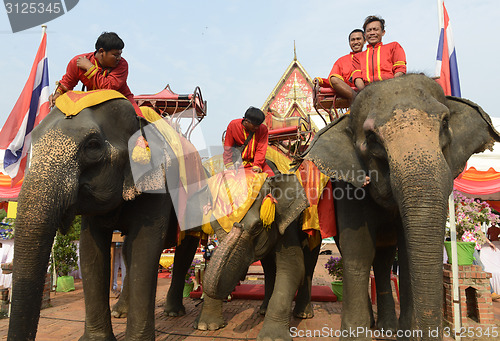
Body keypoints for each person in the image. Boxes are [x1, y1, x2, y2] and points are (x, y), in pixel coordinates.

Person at [49, 32, 141, 115]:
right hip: (91, 101)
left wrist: (89, 68)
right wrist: (57, 93)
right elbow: (67, 84)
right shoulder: (77, 62)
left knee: (141, 124)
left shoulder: (122, 64)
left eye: (120, 54)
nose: (119, 58)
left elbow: (109, 87)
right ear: (101, 51)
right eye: (116, 55)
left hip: (122, 99)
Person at [352, 15, 406, 91]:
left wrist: (392, 88)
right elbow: (357, 78)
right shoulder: (357, 57)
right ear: (364, 35)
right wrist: (365, 93)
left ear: (383, 32)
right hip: (367, 91)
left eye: (375, 29)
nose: (372, 33)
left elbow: (400, 69)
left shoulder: (394, 46)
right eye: (369, 30)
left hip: (391, 88)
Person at [223, 106, 273, 176]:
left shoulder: (263, 129)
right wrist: (229, 164)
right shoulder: (233, 125)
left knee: (272, 177)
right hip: (238, 162)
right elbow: (228, 146)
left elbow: (261, 149)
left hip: (255, 162)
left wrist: (257, 165)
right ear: (246, 121)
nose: (257, 128)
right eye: (254, 125)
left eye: (258, 125)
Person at [327, 28, 366, 105]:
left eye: (358, 39)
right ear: (349, 43)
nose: (355, 42)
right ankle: (359, 101)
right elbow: (332, 81)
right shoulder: (341, 61)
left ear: (365, 41)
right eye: (353, 40)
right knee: (333, 78)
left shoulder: (371, 56)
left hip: (369, 89)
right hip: (350, 93)